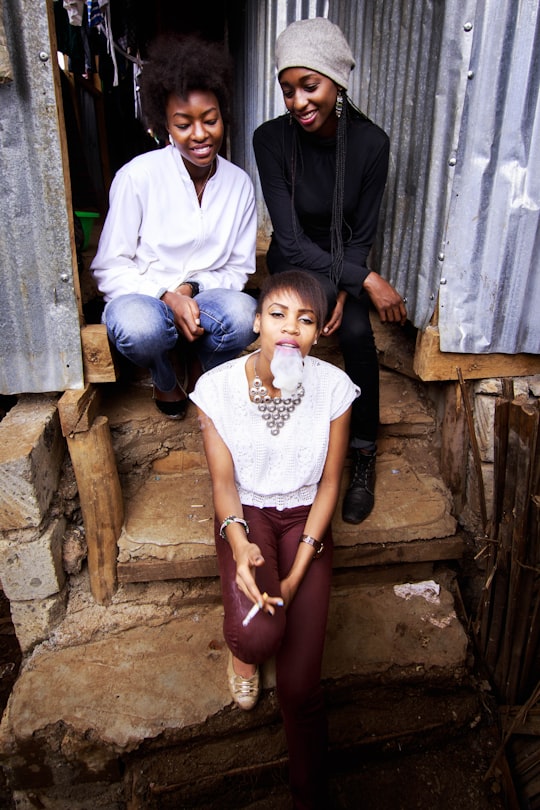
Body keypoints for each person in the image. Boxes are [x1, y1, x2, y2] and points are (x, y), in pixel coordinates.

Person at [190, 270, 359, 809]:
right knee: (261, 635)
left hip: (306, 517)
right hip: (249, 514)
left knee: (300, 689)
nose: (291, 329)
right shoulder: (217, 388)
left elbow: (332, 482)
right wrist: (239, 546)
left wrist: (297, 569)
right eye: (279, 315)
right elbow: (222, 482)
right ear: (257, 322)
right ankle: (243, 656)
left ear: (317, 334)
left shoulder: (333, 388)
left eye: (306, 320)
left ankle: (308, 798)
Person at [253, 17, 407, 523]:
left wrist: (346, 285)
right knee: (298, 327)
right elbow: (291, 239)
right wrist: (359, 280)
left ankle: (362, 452)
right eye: (287, 89)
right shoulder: (270, 140)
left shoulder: (371, 145)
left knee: (358, 333)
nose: (297, 101)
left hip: (344, 257)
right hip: (295, 260)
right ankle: (290, 452)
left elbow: (362, 233)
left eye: (309, 86)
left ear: (337, 81)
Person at [91, 34, 257, 418]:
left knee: (246, 315)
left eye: (210, 120)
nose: (199, 134)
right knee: (139, 328)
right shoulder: (138, 177)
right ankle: (165, 374)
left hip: (205, 299)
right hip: (146, 299)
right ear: (165, 127)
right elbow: (110, 266)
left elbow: (239, 268)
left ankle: (203, 363)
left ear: (223, 116)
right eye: (184, 124)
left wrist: (190, 290)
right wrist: (166, 295)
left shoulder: (239, 184)